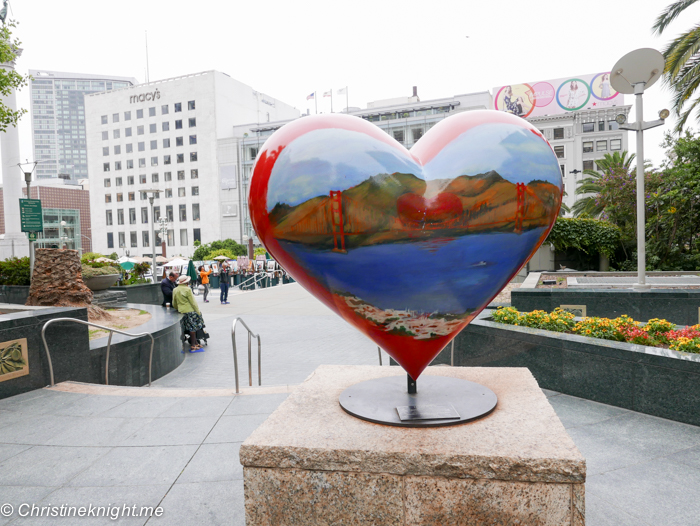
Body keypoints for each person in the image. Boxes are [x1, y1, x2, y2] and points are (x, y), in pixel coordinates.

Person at [172, 275, 205, 351]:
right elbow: (193, 302)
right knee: (192, 328)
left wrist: (178, 308)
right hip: (190, 310)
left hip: (182, 311)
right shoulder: (187, 289)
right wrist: (198, 311)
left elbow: (174, 302)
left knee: (189, 327)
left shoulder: (175, 290)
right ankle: (193, 345)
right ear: (186, 282)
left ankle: (196, 343)